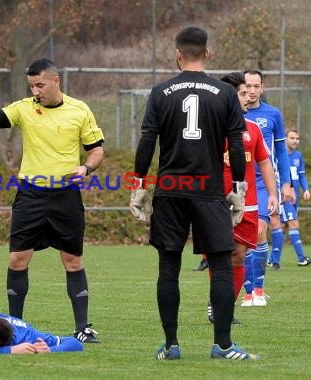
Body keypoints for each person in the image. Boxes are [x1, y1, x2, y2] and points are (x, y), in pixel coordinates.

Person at [129, 26, 259, 360]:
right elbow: (235, 143)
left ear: (177, 54)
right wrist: (239, 188)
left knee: (168, 269)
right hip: (209, 189)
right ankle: (223, 345)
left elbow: (147, 140)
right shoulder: (225, 93)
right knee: (222, 266)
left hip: (171, 189)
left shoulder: (160, 91)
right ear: (208, 53)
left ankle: (171, 345)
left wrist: (139, 184)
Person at [0, 58, 105, 344]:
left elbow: (96, 150)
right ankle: (15, 325)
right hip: (31, 195)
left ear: (56, 81)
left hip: (65, 195)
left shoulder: (80, 110)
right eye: (31, 86)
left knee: (73, 260)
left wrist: (86, 168)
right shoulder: (24, 108)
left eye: (40, 85)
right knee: (17, 259)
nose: (35, 91)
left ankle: (82, 328)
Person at [205, 72, 278, 324]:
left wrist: (272, 193)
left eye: (250, 92)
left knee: (239, 254)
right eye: (243, 93)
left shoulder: (253, 129)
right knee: (218, 255)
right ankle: (217, 306)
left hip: (246, 202)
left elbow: (265, 163)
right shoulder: (210, 128)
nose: (248, 97)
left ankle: (224, 306)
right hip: (214, 202)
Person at [241, 69, 295, 307]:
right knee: (239, 240)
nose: (251, 91)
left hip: (263, 182)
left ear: (262, 88)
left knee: (260, 230)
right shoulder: (230, 114)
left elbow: (281, 152)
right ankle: (248, 291)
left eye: (256, 86)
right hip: (237, 183)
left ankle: (259, 288)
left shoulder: (272, 114)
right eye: (247, 86)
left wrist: (286, 183)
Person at [269, 129, 311, 267]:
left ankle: (272, 260)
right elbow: (277, 173)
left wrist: (306, 189)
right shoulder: (279, 154)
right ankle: (301, 258)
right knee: (294, 223)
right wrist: (288, 189)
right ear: (285, 139)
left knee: (281, 227)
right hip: (284, 196)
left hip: (294, 197)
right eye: (292, 138)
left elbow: (301, 175)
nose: (295, 141)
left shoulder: (298, 156)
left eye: (297, 138)